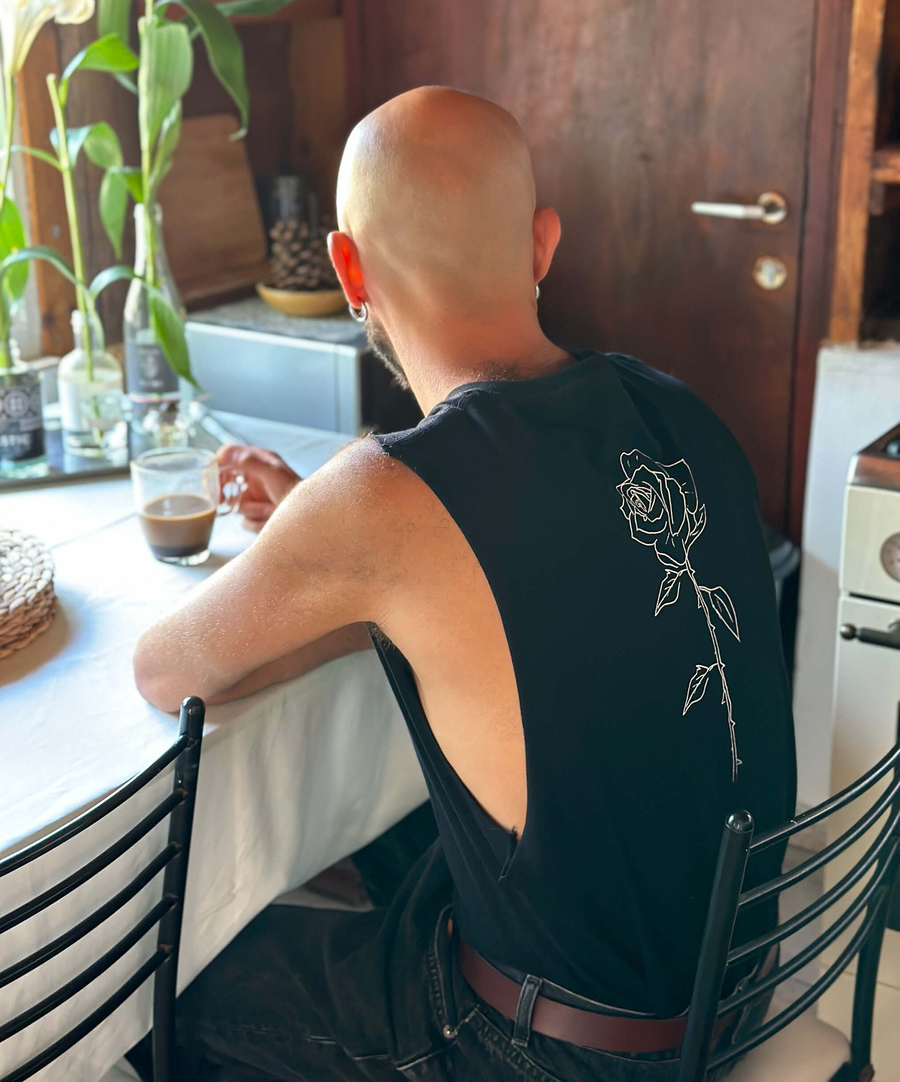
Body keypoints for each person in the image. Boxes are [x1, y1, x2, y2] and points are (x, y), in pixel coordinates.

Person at [132, 87, 796, 1081]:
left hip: (552, 1053)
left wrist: (330, 545)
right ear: (542, 244)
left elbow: (166, 671)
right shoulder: (676, 407)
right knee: (391, 844)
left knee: (146, 984)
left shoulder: (386, 494)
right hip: (734, 992)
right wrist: (333, 551)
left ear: (348, 267)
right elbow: (547, 589)